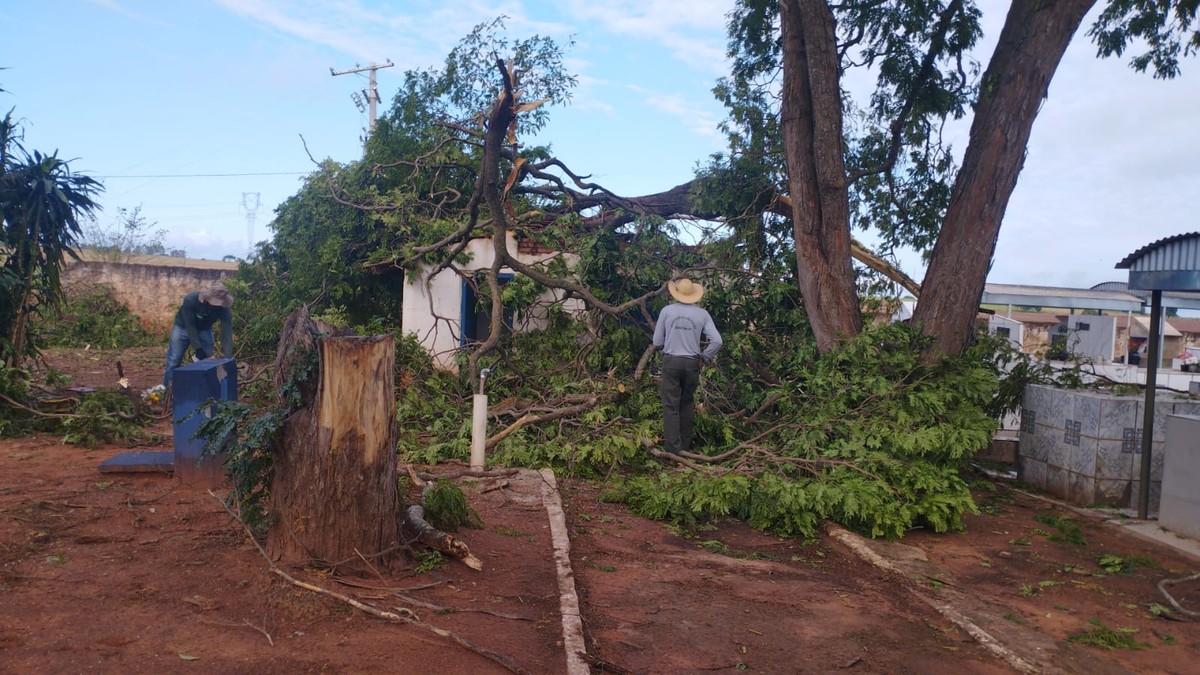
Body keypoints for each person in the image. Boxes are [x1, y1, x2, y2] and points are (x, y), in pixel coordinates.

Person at [652, 277, 723, 455]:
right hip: (692, 363)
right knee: (686, 404)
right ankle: (685, 447)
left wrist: (669, 343)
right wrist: (704, 357)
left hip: (671, 361)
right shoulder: (702, 314)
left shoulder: (667, 311)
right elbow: (717, 342)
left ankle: (672, 450)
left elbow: (657, 341)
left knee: (670, 406)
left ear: (676, 294)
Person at [163, 282, 234, 389]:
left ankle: (205, 392)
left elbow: (227, 332)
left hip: (204, 329)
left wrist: (228, 358)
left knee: (208, 362)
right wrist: (198, 347)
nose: (216, 305)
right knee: (174, 360)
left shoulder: (224, 309)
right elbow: (190, 325)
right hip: (183, 327)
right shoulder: (191, 299)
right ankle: (167, 391)